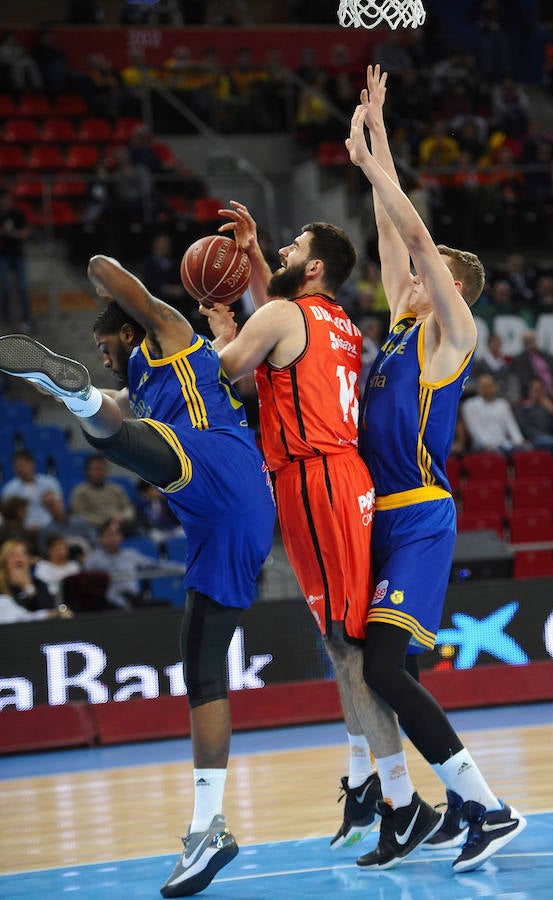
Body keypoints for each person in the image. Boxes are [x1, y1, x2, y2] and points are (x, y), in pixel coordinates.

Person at [0, 251, 275, 898]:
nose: (104, 352)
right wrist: (94, 394)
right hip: (221, 518)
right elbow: (119, 405)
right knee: (200, 668)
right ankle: (208, 827)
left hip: (220, 467)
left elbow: (112, 274)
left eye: (105, 345)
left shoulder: (170, 337)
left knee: (117, 434)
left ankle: (66, 392)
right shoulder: (142, 385)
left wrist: (100, 272)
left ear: (129, 333)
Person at [344, 64, 526, 873]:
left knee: (383, 664)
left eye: (427, 273)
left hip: (417, 512)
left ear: (453, 288)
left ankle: (486, 803)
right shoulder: (398, 327)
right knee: (395, 667)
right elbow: (393, 237)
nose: (410, 276)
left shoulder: (452, 336)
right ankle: (456, 804)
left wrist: (372, 161)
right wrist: (374, 133)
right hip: (379, 516)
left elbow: (414, 237)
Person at [204, 197, 406, 857]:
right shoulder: (334, 317)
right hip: (328, 478)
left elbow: (228, 369)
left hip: (317, 479)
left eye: (290, 248)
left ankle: (400, 799)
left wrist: (215, 326)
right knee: (340, 646)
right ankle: (373, 787)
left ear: (313, 267)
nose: (281, 254)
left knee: (350, 652)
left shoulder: (284, 313)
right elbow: (279, 316)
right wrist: (257, 254)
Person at [69, 452, 137, 535]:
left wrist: (123, 517)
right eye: (96, 469)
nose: (100, 472)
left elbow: (128, 507)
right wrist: (106, 521)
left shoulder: (116, 489)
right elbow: (80, 515)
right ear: (88, 471)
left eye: (102, 469)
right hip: (96, 528)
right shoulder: (80, 492)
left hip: (120, 525)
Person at [461, 373, 528, 454]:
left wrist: (519, 441)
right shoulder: (469, 405)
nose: (486, 389)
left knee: (526, 451)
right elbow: (474, 427)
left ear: (494, 387)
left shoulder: (503, 404)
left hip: (504, 443)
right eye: (483, 386)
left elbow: (511, 424)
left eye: (489, 386)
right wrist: (487, 444)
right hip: (482, 446)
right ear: (478, 388)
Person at [1, 449, 63, 532]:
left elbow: (60, 507)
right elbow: (8, 517)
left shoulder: (50, 483)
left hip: (51, 528)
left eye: (22, 465)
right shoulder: (9, 490)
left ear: (32, 463)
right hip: (22, 531)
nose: (19, 469)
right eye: (16, 466)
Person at [0, 188, 33, 332]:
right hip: (3, 255)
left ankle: (27, 319)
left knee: (23, 288)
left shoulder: (17, 214)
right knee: (5, 287)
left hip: (18, 255)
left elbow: (25, 233)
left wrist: (12, 233)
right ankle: (6, 318)